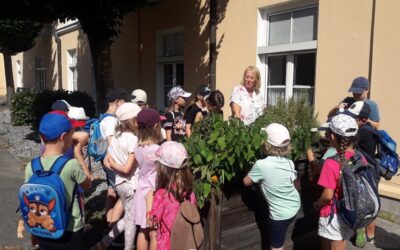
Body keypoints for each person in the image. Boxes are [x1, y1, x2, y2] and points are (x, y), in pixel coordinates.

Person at [24, 112, 92, 249]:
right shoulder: (71, 164)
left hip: (43, 228)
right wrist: (78, 153)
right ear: (63, 137)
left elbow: (30, 198)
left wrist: (33, 232)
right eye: (71, 135)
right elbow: (88, 183)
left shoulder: (31, 166)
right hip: (70, 230)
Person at [243, 123, 300, 250]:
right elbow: (291, 181)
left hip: (279, 215)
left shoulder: (261, 165)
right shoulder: (289, 162)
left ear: (266, 144)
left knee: (276, 247)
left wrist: (251, 170)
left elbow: (246, 182)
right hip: (294, 206)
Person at [93, 103, 141, 250]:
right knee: (131, 221)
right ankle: (128, 247)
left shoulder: (115, 139)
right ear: (133, 121)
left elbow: (107, 161)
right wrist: (119, 167)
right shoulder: (133, 139)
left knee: (128, 217)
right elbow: (127, 168)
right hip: (131, 184)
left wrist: (115, 167)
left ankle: (104, 243)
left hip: (119, 184)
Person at [313, 114, 360, 250]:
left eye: (328, 133)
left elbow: (328, 195)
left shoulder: (332, 162)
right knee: (341, 242)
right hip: (352, 211)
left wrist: (317, 204)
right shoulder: (359, 157)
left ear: (332, 137)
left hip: (334, 214)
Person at [146, 141, 196, 250]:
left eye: (157, 165)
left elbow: (151, 222)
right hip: (186, 244)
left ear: (164, 170)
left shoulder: (162, 195)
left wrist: (149, 201)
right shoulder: (189, 193)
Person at [342, 101, 379, 247]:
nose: (351, 120)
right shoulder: (369, 129)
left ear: (363, 120)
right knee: (370, 200)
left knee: (362, 202)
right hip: (371, 170)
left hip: (364, 171)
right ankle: (370, 236)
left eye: (354, 118)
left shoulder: (361, 131)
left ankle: (361, 235)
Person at [101, 87, 133, 225]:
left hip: (110, 161)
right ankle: (113, 228)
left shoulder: (108, 118)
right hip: (113, 162)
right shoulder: (110, 121)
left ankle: (108, 220)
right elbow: (112, 143)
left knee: (112, 191)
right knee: (123, 195)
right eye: (124, 101)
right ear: (117, 102)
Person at [134, 108, 164, 250]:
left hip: (141, 189)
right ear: (155, 126)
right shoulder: (157, 150)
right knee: (155, 232)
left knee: (142, 229)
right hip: (153, 193)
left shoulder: (137, 147)